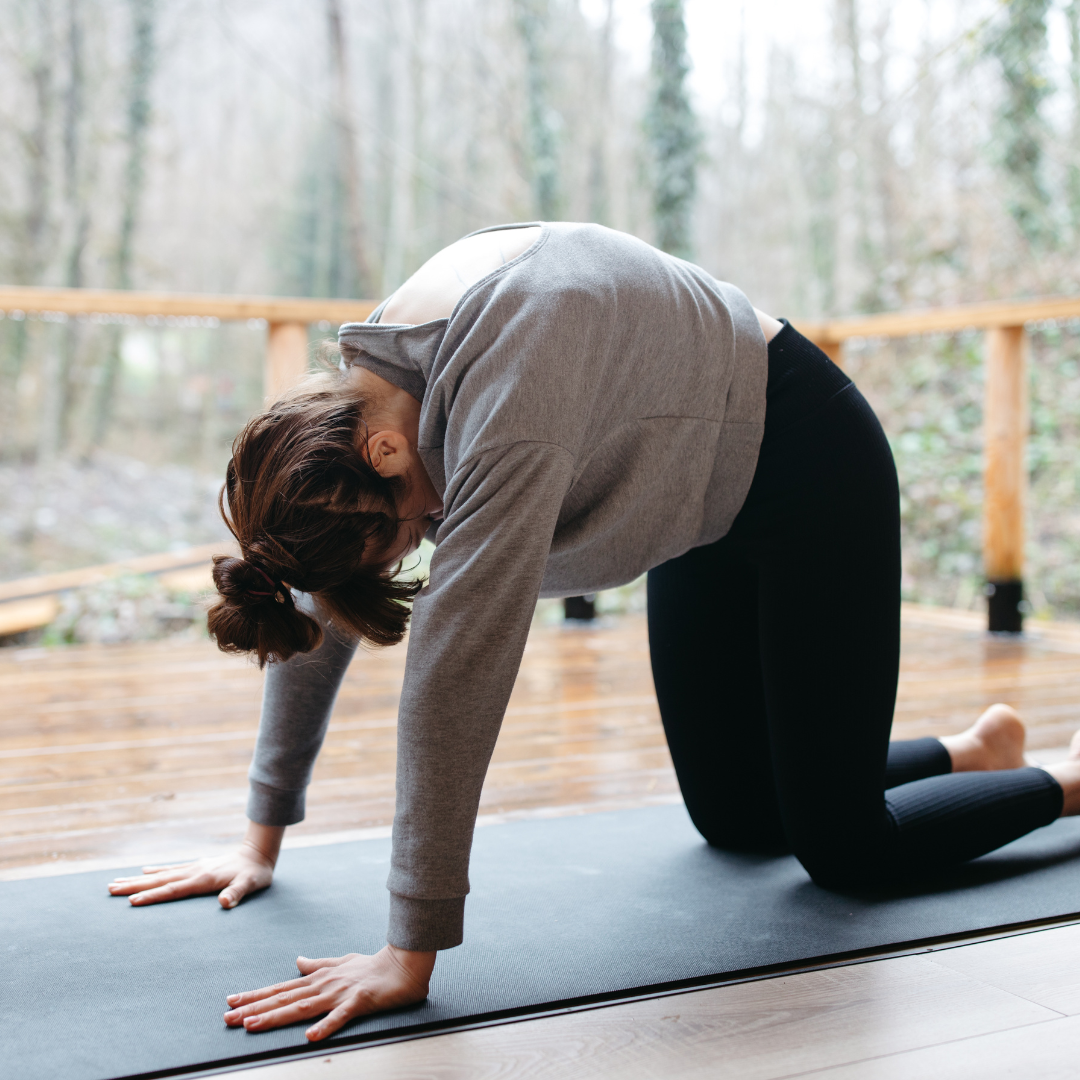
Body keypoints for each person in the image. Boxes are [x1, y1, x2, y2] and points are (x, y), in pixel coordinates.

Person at [107, 222, 1080, 1042]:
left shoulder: (505, 394)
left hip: (806, 464)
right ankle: (969, 751)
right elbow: (320, 605)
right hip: (696, 498)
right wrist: (260, 838)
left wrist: (410, 951)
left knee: (847, 852)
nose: (417, 549)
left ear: (388, 454)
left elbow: (458, 669)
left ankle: (1067, 775)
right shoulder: (376, 402)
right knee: (739, 821)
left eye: (402, 538)